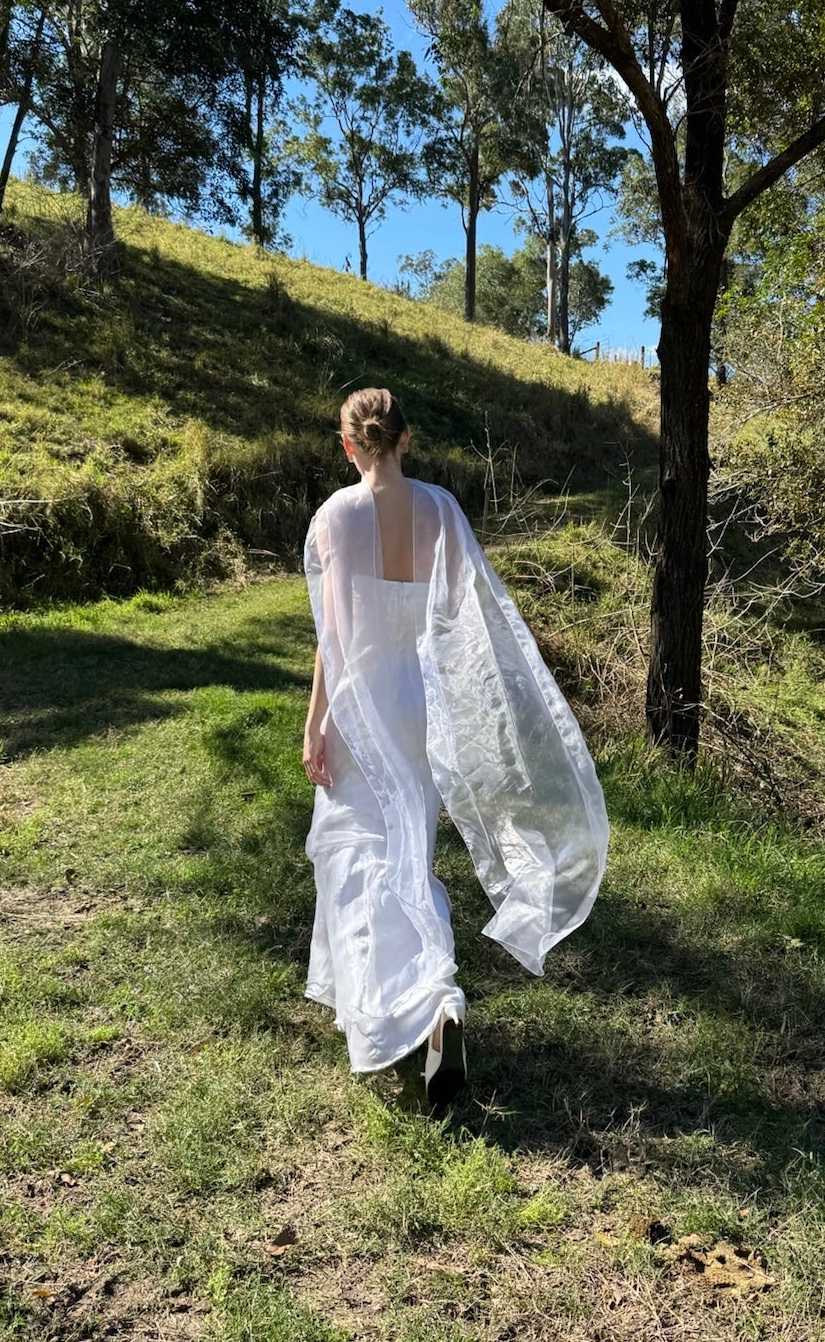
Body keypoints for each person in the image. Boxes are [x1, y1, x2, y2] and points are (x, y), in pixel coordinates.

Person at [301, 387, 609, 1113]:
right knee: (410, 853)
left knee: (357, 854)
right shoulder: (442, 510)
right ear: (406, 439)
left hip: (361, 706)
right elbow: (460, 624)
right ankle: (436, 996)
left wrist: (316, 723)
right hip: (421, 707)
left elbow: (334, 640)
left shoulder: (335, 519)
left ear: (348, 446)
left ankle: (396, 1009)